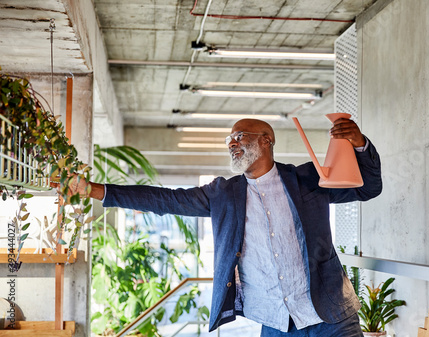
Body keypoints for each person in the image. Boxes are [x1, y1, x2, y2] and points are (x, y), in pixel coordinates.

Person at [72, 117, 382, 336]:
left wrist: (358, 144)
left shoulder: (307, 180)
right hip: (276, 324)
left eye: (240, 136)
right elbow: (166, 199)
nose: (232, 143)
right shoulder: (223, 194)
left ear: (266, 140)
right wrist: (97, 190)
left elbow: (367, 188)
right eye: (229, 139)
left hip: (332, 315)